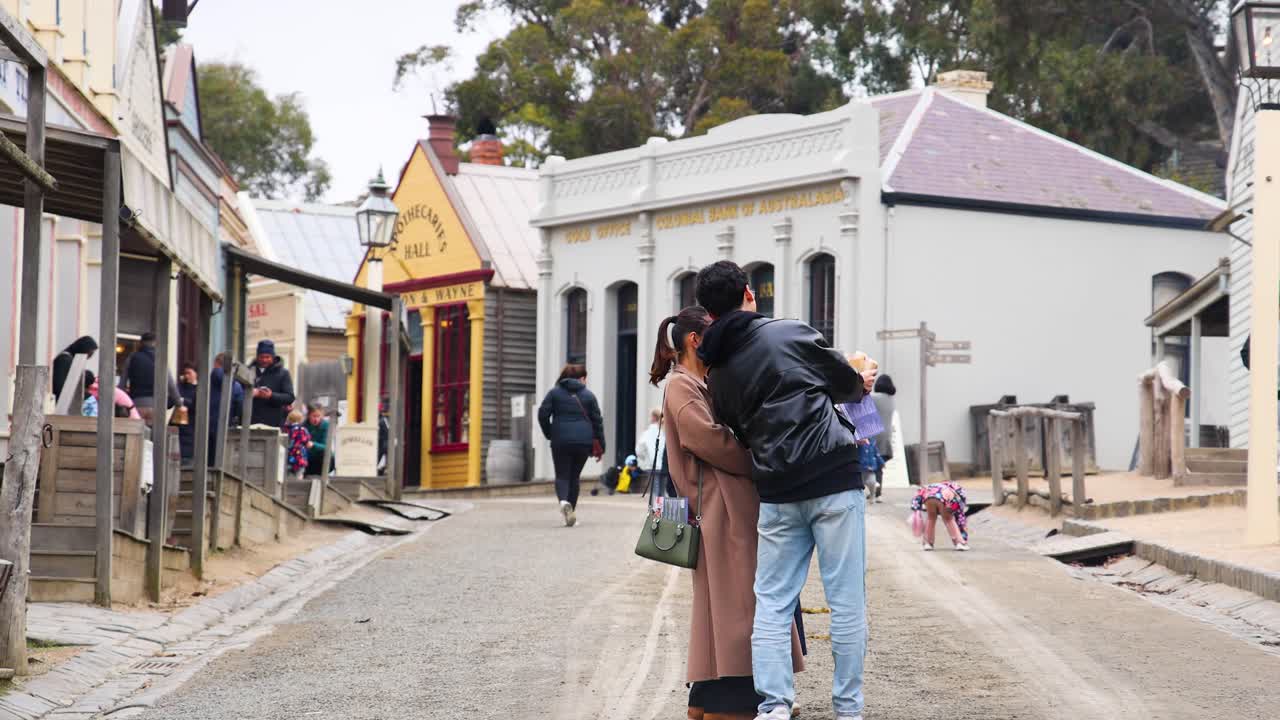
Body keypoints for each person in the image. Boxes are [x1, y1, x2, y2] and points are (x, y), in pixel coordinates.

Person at [694, 260, 875, 720]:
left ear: (707, 313)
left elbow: (736, 428)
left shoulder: (715, 372)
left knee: (772, 602)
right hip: (833, 476)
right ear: (749, 294)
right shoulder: (787, 332)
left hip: (775, 488)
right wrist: (863, 379)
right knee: (845, 599)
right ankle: (847, 710)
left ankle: (773, 707)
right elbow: (846, 385)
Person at [652, 306, 805, 720]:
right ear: (694, 341)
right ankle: (731, 699)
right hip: (720, 508)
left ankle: (705, 698)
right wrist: (759, 457)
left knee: (724, 602)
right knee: (737, 604)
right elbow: (709, 440)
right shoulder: (681, 387)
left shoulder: (696, 382)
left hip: (725, 505)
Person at [537, 363, 605, 527]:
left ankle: (563, 503)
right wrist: (601, 445)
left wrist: (550, 433)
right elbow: (597, 422)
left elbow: (542, 415)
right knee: (574, 477)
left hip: (560, 440)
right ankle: (571, 511)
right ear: (582, 378)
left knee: (562, 475)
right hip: (583, 441)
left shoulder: (554, 393)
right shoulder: (588, 396)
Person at [120, 332, 182, 426]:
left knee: (137, 437)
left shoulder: (132, 358)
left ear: (141, 343)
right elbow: (171, 385)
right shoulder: (161, 359)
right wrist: (179, 404)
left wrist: (123, 406)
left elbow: (122, 383)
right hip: (157, 406)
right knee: (155, 438)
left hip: (137, 405)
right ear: (155, 343)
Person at [909, 481, 970, 551]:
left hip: (929, 496)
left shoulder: (933, 485)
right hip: (944, 496)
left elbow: (918, 495)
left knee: (931, 518)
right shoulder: (957, 490)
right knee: (949, 519)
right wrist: (963, 536)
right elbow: (960, 516)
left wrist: (916, 508)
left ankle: (927, 543)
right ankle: (959, 543)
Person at [248, 340, 296, 429]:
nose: (264, 360)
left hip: (274, 424)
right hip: (249, 422)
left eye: (267, 357)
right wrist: (250, 393)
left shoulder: (283, 373)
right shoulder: (248, 371)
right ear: (257, 356)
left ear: (273, 357)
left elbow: (290, 397)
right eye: (261, 357)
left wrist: (271, 395)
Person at [208, 352, 243, 466]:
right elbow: (240, 405)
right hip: (227, 425)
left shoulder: (211, 378)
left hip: (209, 424)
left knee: (209, 460)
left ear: (216, 363)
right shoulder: (237, 385)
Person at [869, 375, 896, 503]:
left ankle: (874, 493)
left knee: (871, 465)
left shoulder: (875, 397)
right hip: (887, 437)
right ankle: (877, 493)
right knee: (879, 466)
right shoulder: (891, 399)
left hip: (875, 435)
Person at [51, 336, 98, 405]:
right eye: (89, 354)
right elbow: (59, 386)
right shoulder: (64, 360)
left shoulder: (71, 360)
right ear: (83, 349)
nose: (90, 357)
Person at [177, 362, 198, 463]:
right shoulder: (180, 387)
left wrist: (182, 400)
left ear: (195, 374)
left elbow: (196, 405)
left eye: (189, 373)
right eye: (185, 373)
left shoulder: (199, 389)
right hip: (178, 424)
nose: (186, 376)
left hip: (191, 426)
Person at [304, 404, 331, 476]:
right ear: (309, 415)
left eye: (318, 416)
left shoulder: (326, 426)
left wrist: (313, 445)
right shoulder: (304, 425)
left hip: (319, 457)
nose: (316, 419)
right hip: (307, 457)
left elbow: (326, 446)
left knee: (328, 455)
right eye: (314, 416)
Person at [284, 409, 311, 480]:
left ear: (289, 419)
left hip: (289, 454)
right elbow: (306, 439)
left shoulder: (287, 429)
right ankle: (299, 482)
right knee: (300, 472)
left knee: (287, 471)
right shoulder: (303, 430)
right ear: (301, 420)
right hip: (300, 454)